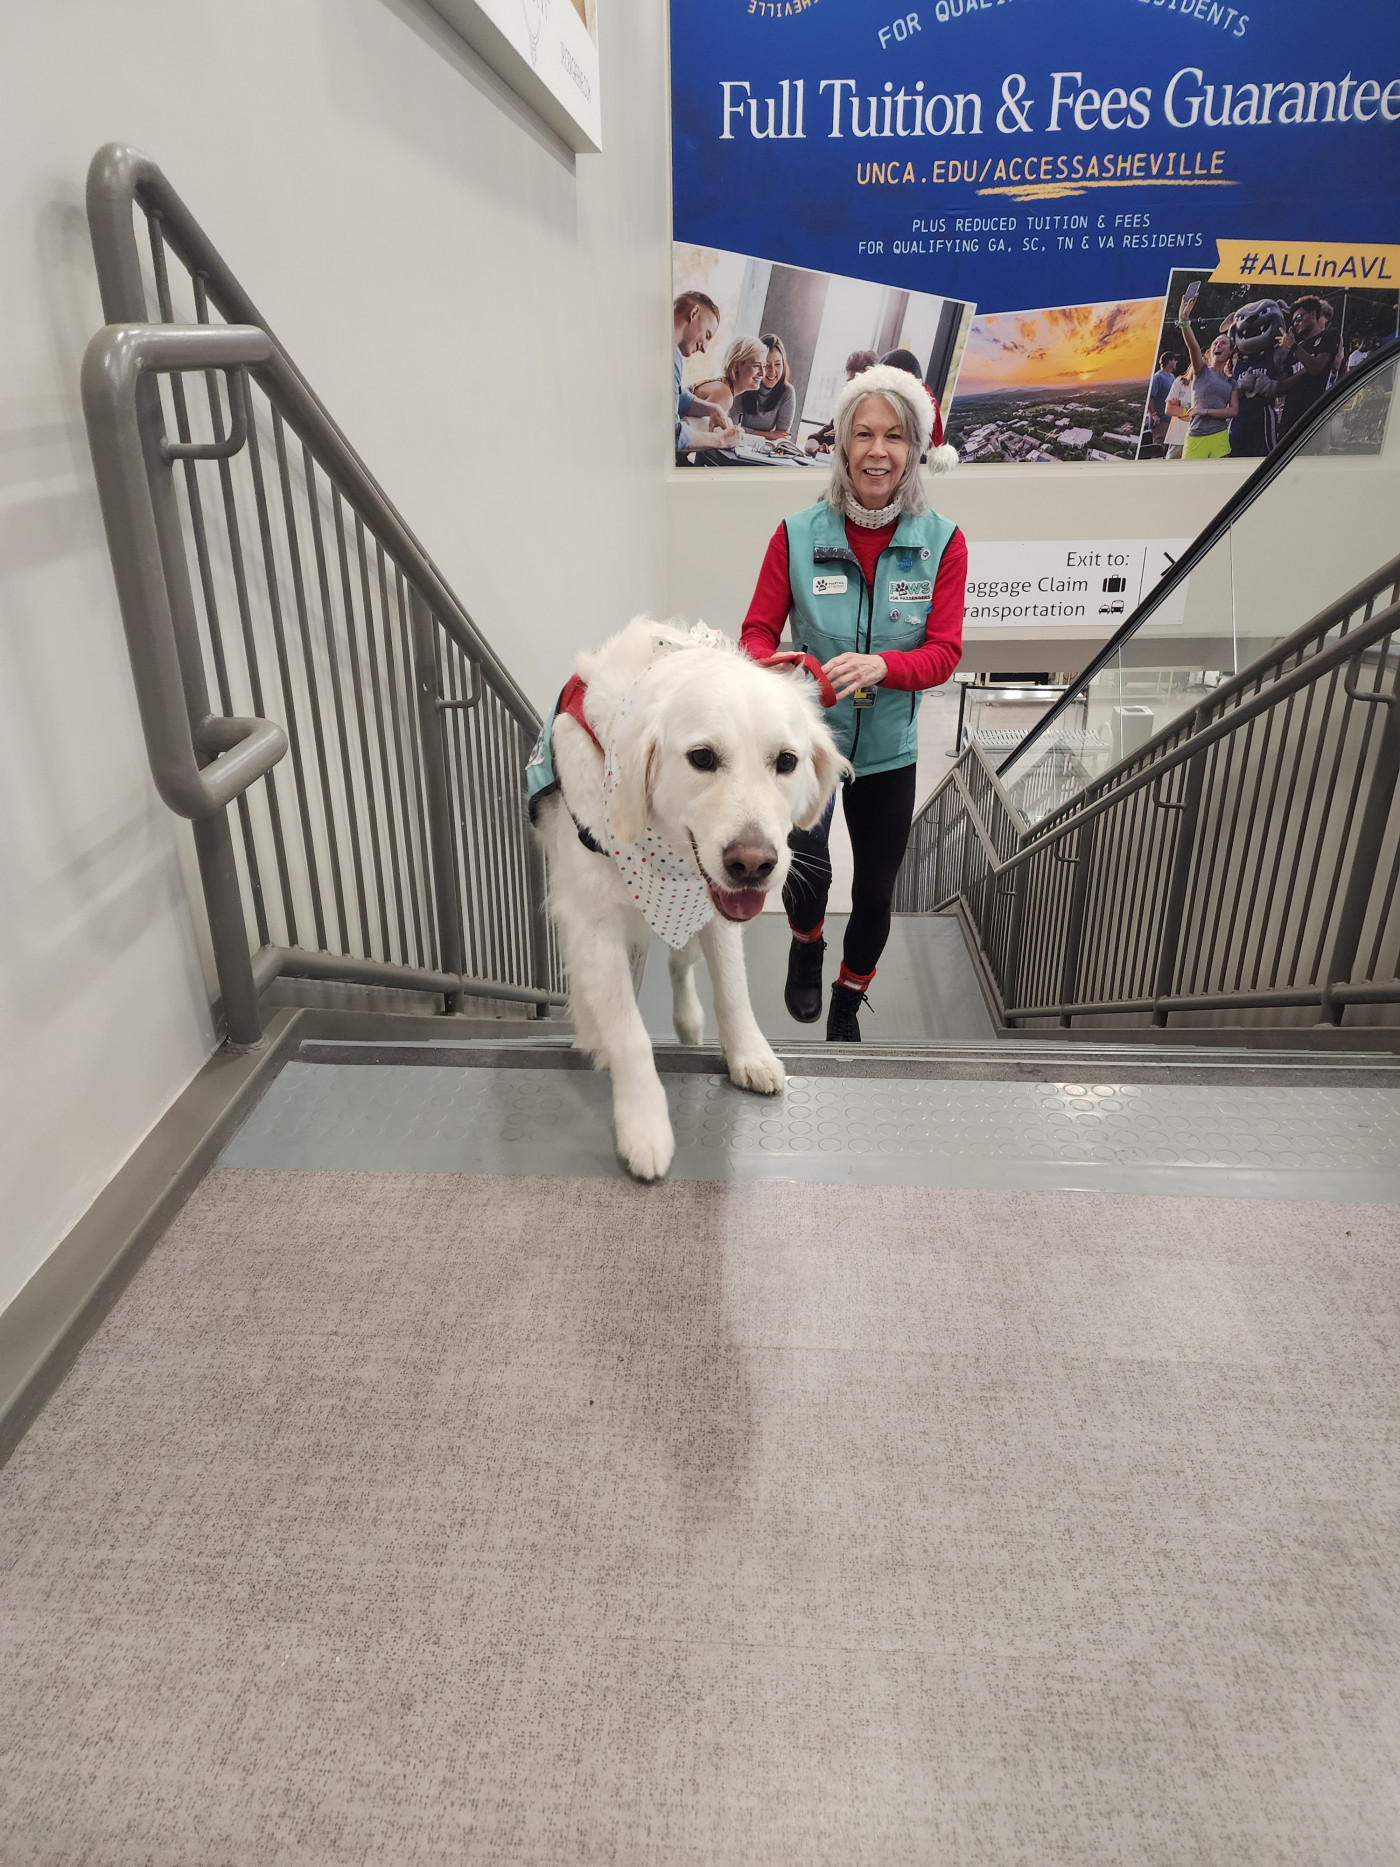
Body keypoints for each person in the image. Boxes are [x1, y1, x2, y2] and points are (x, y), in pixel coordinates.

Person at [739, 364, 967, 1041]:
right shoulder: (795, 534)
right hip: (811, 744)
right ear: (841, 442)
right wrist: (791, 670)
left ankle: (848, 994)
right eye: (863, 434)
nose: (877, 451)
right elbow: (755, 635)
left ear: (915, 448)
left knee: (875, 892)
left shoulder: (943, 542)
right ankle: (806, 944)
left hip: (891, 750)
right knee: (807, 869)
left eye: (894, 436)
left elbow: (944, 652)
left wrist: (884, 665)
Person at [1175, 292, 1238, 459]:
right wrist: (1184, 322)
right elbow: (1193, 347)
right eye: (1215, 343)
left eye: (1223, 343)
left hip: (1220, 436)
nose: (1218, 345)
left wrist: (1206, 411)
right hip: (1196, 436)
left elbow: (1233, 411)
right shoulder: (1201, 371)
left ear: (1230, 352)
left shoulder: (1232, 383)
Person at [672, 291, 736, 453]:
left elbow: (676, 396)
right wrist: (722, 440)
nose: (704, 349)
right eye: (707, 335)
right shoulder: (670, 354)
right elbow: (672, 435)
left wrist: (711, 408)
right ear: (694, 313)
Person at [1275, 296, 1340, 445]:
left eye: (1299, 317)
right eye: (1293, 321)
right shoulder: (1295, 349)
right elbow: (1281, 386)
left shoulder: (1329, 335)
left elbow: (1317, 367)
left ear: (1312, 314)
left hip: (1315, 416)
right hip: (1290, 420)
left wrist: (1294, 347)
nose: (1296, 323)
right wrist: (1303, 371)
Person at [805, 349, 878, 455]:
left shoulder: (883, 416)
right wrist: (817, 449)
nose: (855, 388)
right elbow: (812, 440)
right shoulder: (847, 413)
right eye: (851, 383)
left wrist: (849, 437)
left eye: (860, 383)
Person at [732, 333, 797, 441]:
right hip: (737, 442)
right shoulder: (743, 384)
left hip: (764, 447)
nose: (772, 371)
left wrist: (749, 432)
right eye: (766, 365)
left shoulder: (787, 392)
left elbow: (782, 436)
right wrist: (770, 435)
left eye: (778, 364)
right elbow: (732, 427)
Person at [689, 337, 768, 422]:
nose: (762, 373)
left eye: (764, 366)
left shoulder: (723, 385)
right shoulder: (724, 396)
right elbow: (687, 422)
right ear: (736, 366)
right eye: (756, 366)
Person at [1148, 352, 1181, 449]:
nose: (1176, 362)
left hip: (1170, 421)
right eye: (1175, 360)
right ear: (1169, 362)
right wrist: (1154, 415)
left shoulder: (1171, 376)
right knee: (1159, 449)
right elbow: (1149, 398)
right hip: (1161, 423)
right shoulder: (1158, 378)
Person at [1163, 365, 1194, 460]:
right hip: (1178, 439)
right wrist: (1189, 413)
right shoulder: (1180, 382)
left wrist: (1179, 411)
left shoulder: (1208, 386)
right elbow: (1169, 409)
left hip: (1197, 440)